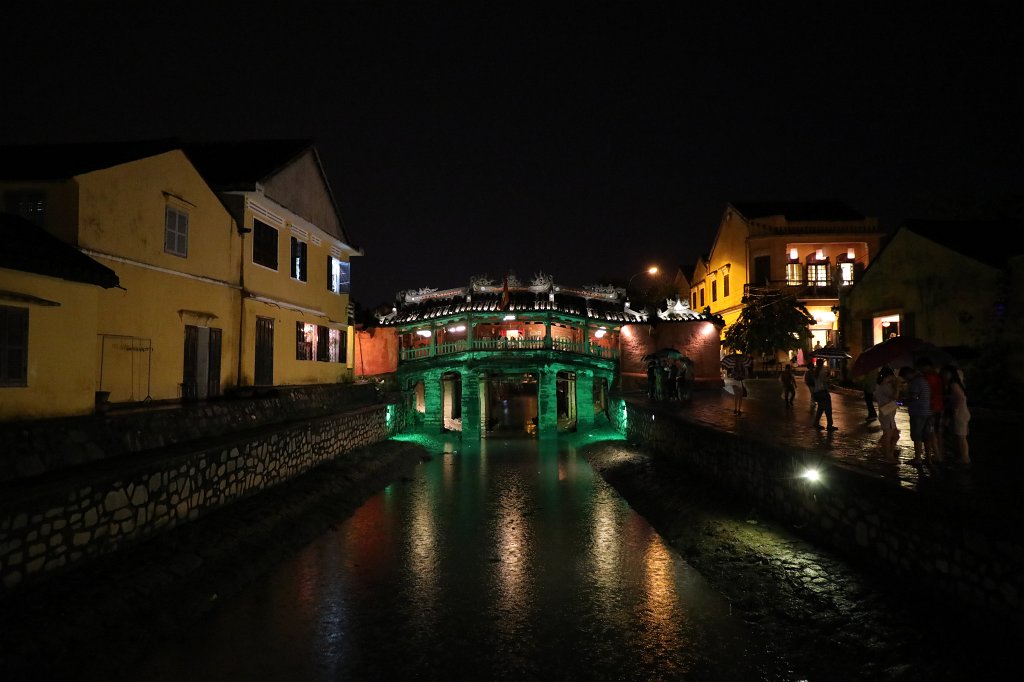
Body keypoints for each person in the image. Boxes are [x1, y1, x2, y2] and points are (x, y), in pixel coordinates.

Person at [898, 365, 933, 466]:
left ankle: (918, 459)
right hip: (927, 412)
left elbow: (914, 397)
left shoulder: (915, 382)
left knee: (917, 436)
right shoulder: (924, 381)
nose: (905, 380)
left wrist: (902, 401)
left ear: (907, 374)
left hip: (918, 412)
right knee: (927, 436)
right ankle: (928, 458)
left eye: (904, 377)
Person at [942, 364, 972, 466]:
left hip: (960, 413)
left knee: (961, 437)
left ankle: (965, 458)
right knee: (961, 437)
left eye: (946, 373)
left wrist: (955, 408)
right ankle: (964, 457)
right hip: (962, 412)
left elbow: (961, 398)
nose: (945, 375)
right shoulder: (957, 383)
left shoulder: (953, 384)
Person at [916, 357, 944, 463]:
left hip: (930, 407)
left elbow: (924, 392)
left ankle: (937, 455)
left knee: (930, 433)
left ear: (926, 366)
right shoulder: (938, 376)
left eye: (921, 368)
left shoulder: (928, 378)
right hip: (938, 406)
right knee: (935, 433)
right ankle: (937, 455)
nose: (920, 370)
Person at [873, 366, 900, 461]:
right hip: (887, 414)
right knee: (889, 436)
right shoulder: (885, 386)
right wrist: (897, 386)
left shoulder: (883, 385)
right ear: (889, 375)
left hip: (888, 413)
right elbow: (895, 396)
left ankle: (888, 452)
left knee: (895, 436)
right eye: (893, 375)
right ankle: (888, 456)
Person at [811, 358, 836, 430]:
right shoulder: (822, 371)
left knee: (820, 409)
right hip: (823, 392)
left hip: (817, 392)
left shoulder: (815, 371)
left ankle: (816, 423)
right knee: (828, 409)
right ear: (822, 363)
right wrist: (829, 377)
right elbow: (825, 381)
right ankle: (829, 425)